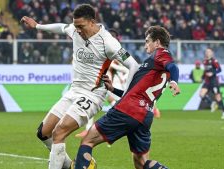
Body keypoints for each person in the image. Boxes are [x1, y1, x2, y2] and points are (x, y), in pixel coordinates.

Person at [21, 4, 139, 169]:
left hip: (93, 95)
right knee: (44, 132)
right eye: (75, 26)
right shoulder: (75, 30)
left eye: (81, 26)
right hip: (74, 91)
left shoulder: (108, 42)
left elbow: (134, 66)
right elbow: (62, 27)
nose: (77, 30)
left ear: (92, 22)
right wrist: (38, 26)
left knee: (59, 132)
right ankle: (70, 165)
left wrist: (126, 95)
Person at [74, 26, 180, 169]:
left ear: (157, 42)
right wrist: (113, 89)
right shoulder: (154, 65)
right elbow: (134, 90)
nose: (145, 45)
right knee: (141, 163)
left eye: (147, 41)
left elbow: (173, 67)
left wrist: (174, 81)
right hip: (145, 115)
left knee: (87, 141)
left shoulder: (161, 53)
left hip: (128, 109)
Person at [199, 48, 224, 119]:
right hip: (207, 81)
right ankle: (212, 103)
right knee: (201, 94)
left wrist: (212, 73)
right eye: (206, 52)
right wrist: (202, 77)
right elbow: (205, 71)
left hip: (214, 81)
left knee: (218, 97)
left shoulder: (214, 61)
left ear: (212, 53)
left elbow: (219, 69)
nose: (207, 53)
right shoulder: (204, 61)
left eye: (209, 52)